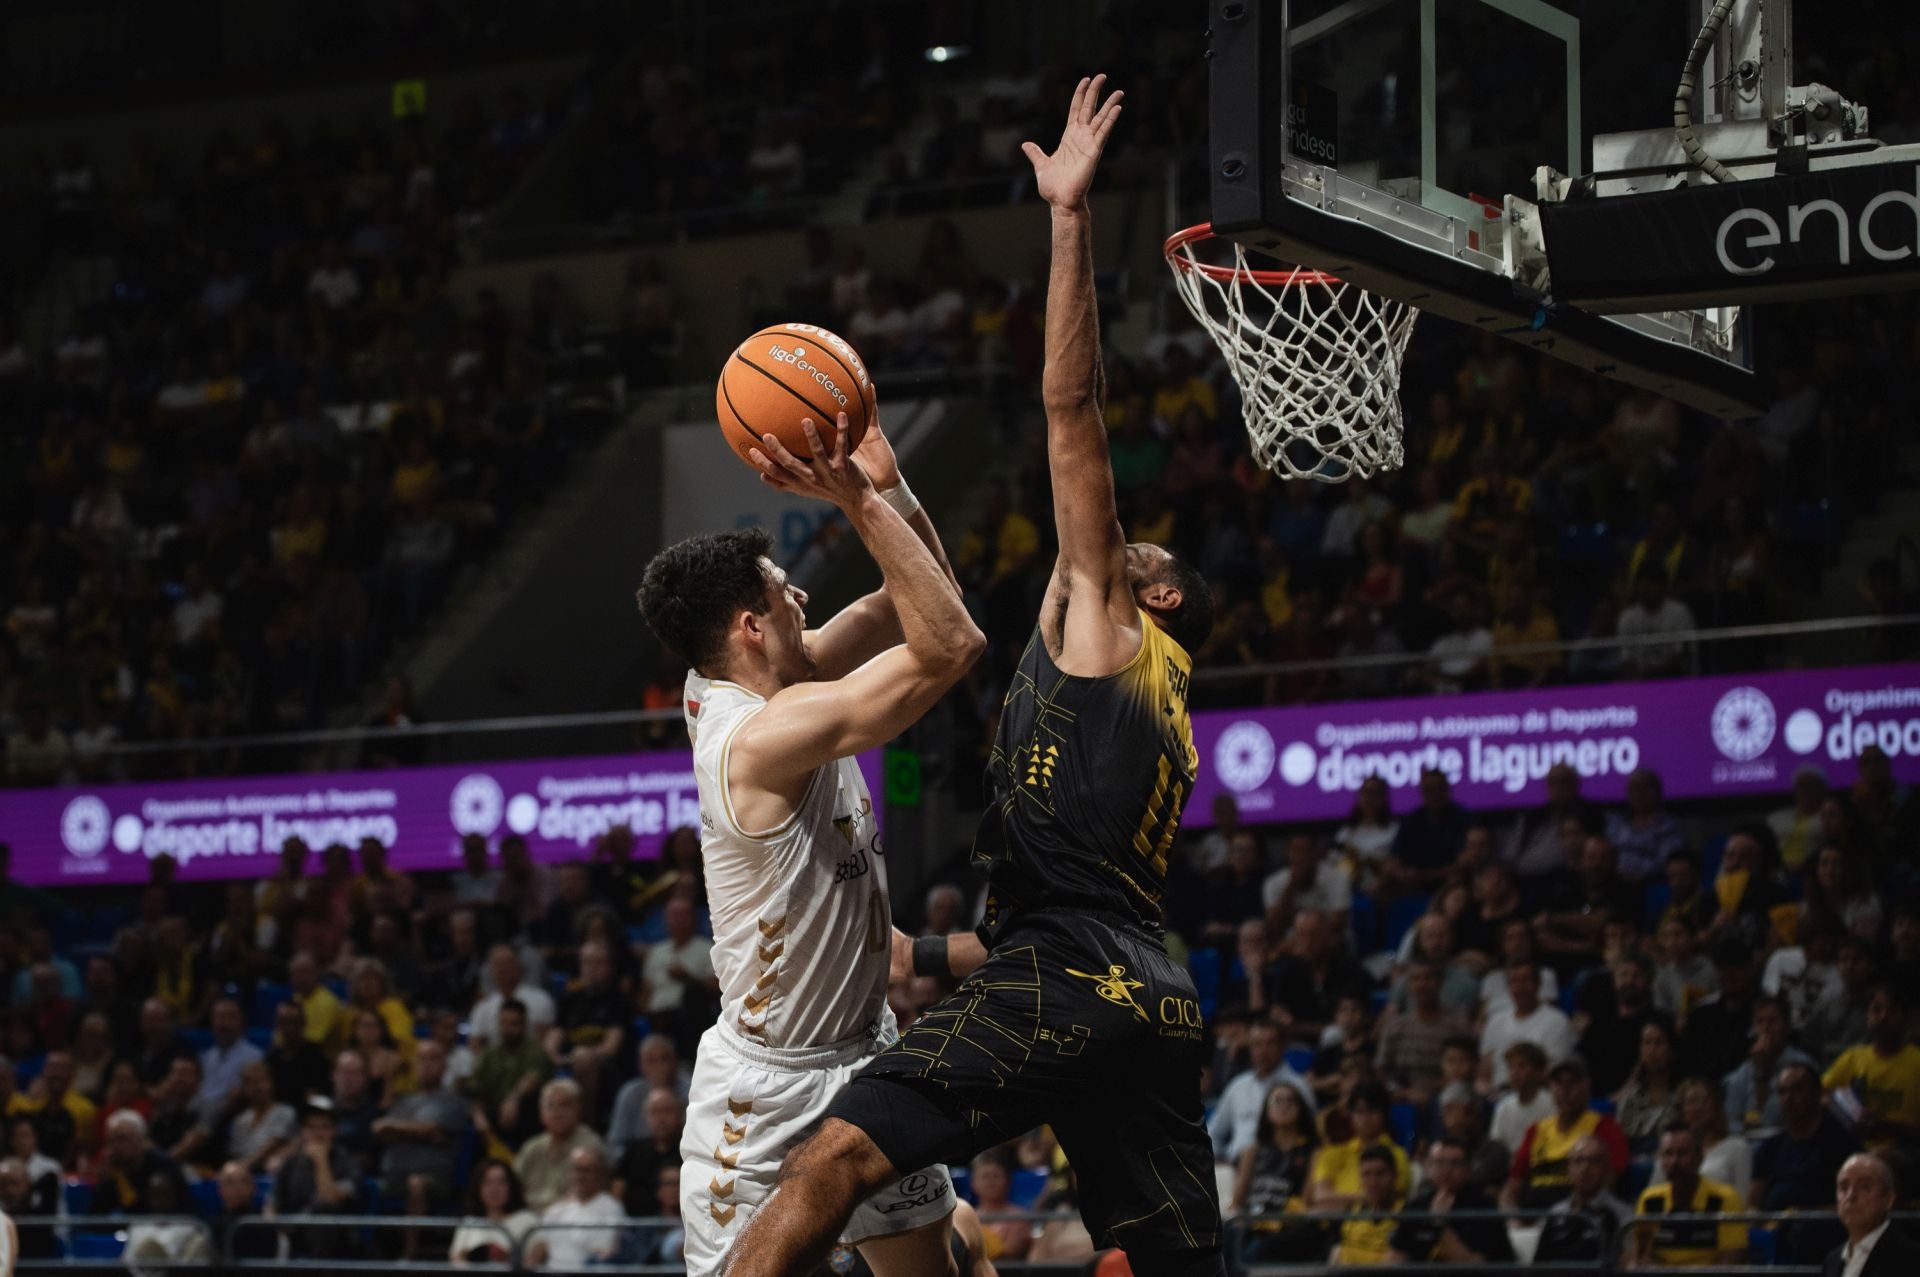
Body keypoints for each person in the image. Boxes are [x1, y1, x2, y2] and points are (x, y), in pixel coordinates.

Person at [720, 76, 1227, 1277]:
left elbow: (1071, 406)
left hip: (1073, 971)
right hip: (1149, 991)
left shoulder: (1116, 624)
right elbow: (936, 600)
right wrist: (885, 483)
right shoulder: (1118, 690)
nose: (1109, 542)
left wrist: (1065, 217)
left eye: (1132, 551)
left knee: (830, 1166)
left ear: (1154, 597)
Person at [639, 291, 978, 1273]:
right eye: (785, 587)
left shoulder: (776, 672)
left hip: (866, 1053)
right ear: (750, 624)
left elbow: (922, 597)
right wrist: (855, 502)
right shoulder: (766, 734)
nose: (803, 592)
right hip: (767, 1091)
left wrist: (890, 482)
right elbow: (951, 642)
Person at [1753, 1063, 1858, 1263]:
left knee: (1805, 1231)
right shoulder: (1770, 1147)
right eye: (1782, 1092)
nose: (1788, 1098)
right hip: (1775, 1229)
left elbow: (1852, 1203)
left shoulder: (1841, 1143)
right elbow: (1753, 1201)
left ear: (1817, 1093)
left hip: (1821, 1232)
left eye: (1797, 1089)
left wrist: (1806, 1214)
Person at [1504, 1056, 1628, 1208]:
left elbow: (1608, 1184)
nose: (1565, 1089)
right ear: (1551, 1087)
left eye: (1572, 1082)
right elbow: (1512, 1187)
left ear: (1587, 1085)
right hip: (1533, 1219)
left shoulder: (1605, 1128)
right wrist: (1513, 1221)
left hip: (1578, 1215)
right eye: (1558, 1082)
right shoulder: (1536, 1130)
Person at [375, 1039, 470, 1215]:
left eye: (432, 1059)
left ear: (444, 1065)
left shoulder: (453, 1102)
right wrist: (418, 1133)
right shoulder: (404, 1101)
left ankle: (411, 1243)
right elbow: (379, 1130)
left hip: (433, 1176)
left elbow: (429, 1129)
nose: (426, 1064)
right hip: (393, 1175)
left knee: (416, 1184)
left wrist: (399, 1131)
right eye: (421, 1059)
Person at [1629, 1123, 1745, 1267]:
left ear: (1700, 1157)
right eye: (1668, 1154)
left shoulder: (1726, 1199)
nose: (1674, 1162)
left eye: (1683, 1153)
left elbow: (1730, 1264)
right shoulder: (1649, 1199)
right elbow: (1639, 1258)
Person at [1230, 1080, 1319, 1263]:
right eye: (1276, 1101)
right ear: (1266, 1110)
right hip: (1252, 1220)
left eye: (1290, 1101)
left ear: (1301, 1108)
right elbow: (1237, 1201)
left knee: (1258, 1249)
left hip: (1288, 1225)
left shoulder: (1312, 1151)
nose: (1283, 1106)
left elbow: (1308, 1199)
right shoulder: (1252, 1151)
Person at [1388, 1136, 1514, 1263]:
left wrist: (1439, 1225)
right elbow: (1396, 1257)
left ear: (1467, 1169)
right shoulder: (1417, 1205)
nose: (1446, 1171)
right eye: (1439, 1162)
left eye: (1455, 1163)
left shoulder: (1484, 1206)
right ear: (1429, 1167)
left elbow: (1475, 1267)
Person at [1822, 987, 1920, 1150]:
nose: (1883, 1017)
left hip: (1903, 1150)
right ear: (1867, 1015)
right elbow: (1821, 1094)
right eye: (1876, 1009)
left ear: (1905, 1018)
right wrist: (1848, 1115)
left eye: (1891, 1011)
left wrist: (1885, 1126)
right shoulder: (1853, 1058)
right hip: (1853, 1146)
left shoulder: (1916, 1062)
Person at [1208, 1021, 1313, 1162]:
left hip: (1279, 1169)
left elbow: (1311, 1134)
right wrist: (1217, 1159)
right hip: (1233, 1165)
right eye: (1257, 1044)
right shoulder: (1238, 1086)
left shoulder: (1299, 1086)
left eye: (1270, 1043)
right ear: (1250, 1048)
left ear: (1282, 1046)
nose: (1263, 1050)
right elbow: (1213, 1133)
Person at [1307, 1082, 1410, 1209]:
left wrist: (1338, 1201)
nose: (1365, 1118)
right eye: (1359, 1111)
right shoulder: (1332, 1153)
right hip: (1332, 1222)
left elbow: (1392, 1198)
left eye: (1372, 1111)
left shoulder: (1397, 1154)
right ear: (1350, 1115)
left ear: (1385, 1114)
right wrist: (1365, 1198)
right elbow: (1320, 1196)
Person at [1534, 1135, 1635, 1264]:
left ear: (1606, 1168)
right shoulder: (1556, 1212)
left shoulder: (1623, 1214)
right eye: (1578, 1161)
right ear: (1568, 1169)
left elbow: (1629, 1263)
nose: (1585, 1168)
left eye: (1594, 1161)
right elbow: (1539, 1266)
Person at [524, 1145, 626, 1270]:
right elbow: (538, 1252)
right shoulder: (556, 1210)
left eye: (586, 1170)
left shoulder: (612, 1209)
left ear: (599, 1173)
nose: (580, 1176)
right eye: (576, 1169)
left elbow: (603, 1256)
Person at [514, 1079, 608, 1213]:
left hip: (571, 1220)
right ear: (541, 1113)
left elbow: (593, 1195)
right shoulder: (531, 1147)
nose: (558, 1113)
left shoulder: (590, 1146)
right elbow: (512, 1189)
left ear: (578, 1109)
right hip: (530, 1220)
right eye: (551, 1106)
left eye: (565, 1105)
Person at [1651, 1076, 1751, 1202]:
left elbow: (1742, 1200)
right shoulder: (1670, 1149)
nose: (1699, 1107)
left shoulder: (1738, 1147)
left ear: (1715, 1105)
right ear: (1682, 1109)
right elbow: (1655, 1195)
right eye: (1692, 1101)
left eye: (1705, 1100)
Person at [1479, 962, 1574, 1091]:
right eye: (1514, 982)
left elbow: (1555, 1070)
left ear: (1538, 984)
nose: (1520, 987)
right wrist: (1485, 1090)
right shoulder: (1495, 1022)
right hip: (1497, 1095)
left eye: (1525, 981)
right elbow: (1485, 1071)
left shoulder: (1557, 1020)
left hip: (1539, 1094)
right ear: (1508, 987)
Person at [1823, 1154, 1920, 1277]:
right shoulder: (1832, 1260)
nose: (1851, 1196)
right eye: (1843, 1187)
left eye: (1864, 1187)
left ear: (1888, 1199)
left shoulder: (1910, 1258)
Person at [450, 1159, 539, 1266]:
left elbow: (535, 1258)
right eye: (487, 1182)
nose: (494, 1189)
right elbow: (456, 1260)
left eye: (501, 1182)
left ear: (511, 1187)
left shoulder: (528, 1219)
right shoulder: (469, 1222)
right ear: (478, 1188)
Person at [1329, 1146, 1404, 1266]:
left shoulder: (1408, 1215)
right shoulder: (1350, 1213)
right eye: (1366, 1174)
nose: (1373, 1182)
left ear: (1394, 1176)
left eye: (1380, 1173)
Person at [1489, 1041, 1555, 1152]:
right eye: (1511, 1067)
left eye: (1521, 1066)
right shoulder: (1503, 1107)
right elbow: (1496, 1146)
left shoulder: (1551, 1103)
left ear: (1538, 1071)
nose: (1515, 1072)